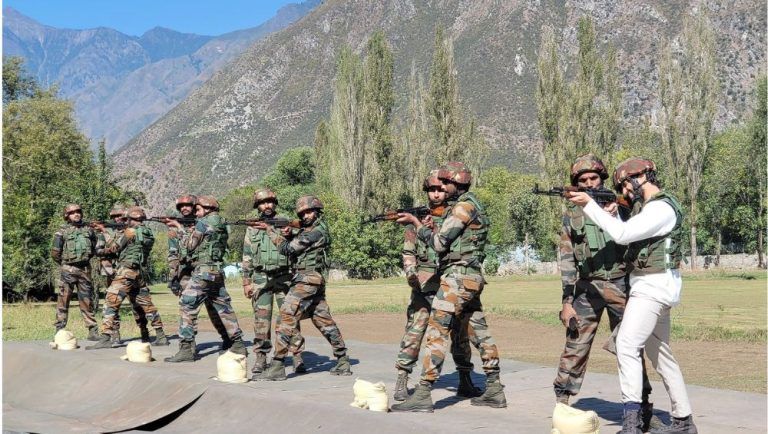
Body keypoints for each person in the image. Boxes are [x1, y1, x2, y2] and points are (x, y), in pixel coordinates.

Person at [566, 157, 697, 434]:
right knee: (659, 354)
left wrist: (589, 205)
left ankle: (631, 424)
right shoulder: (652, 207)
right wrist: (612, 213)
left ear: (639, 178)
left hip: (651, 289)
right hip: (654, 287)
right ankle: (683, 421)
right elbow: (631, 230)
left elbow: (623, 235)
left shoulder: (659, 208)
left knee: (626, 345)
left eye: (625, 184)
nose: (624, 191)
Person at [555, 154, 660, 431]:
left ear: (602, 179)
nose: (589, 184)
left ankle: (642, 411)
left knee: (632, 348)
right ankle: (562, 406)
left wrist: (620, 213)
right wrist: (567, 301)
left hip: (621, 284)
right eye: (582, 180)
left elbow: (645, 230)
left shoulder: (626, 206)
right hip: (587, 287)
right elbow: (567, 260)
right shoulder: (573, 214)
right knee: (575, 345)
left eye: (593, 178)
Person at [392, 162, 505, 412]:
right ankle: (494, 387)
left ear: (457, 183)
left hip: (457, 278)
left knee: (437, 330)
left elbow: (441, 243)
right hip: (469, 278)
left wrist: (416, 223)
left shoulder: (463, 206)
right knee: (479, 330)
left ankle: (423, 392)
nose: (441, 188)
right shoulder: (470, 204)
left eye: (446, 183)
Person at [255, 195, 351, 381]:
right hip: (312, 280)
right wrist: (289, 233)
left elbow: (288, 250)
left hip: (306, 281)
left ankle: (277, 365)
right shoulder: (312, 230)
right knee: (324, 321)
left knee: (285, 318)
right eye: (302, 213)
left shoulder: (314, 232)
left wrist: (270, 230)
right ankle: (343, 360)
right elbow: (300, 244)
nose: (305, 215)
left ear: (317, 211)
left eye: (309, 212)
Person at [164, 196, 247, 362]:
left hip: (203, 271)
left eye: (198, 209)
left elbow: (189, 245)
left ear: (206, 209)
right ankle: (238, 345)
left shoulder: (203, 223)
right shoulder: (221, 222)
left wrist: (179, 227)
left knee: (187, 304)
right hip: (216, 271)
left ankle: (186, 349)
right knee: (223, 307)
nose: (196, 212)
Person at [242, 188, 305, 377]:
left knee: (290, 317)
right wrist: (246, 281)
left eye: (270, 202)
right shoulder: (252, 227)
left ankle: (297, 355)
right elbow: (247, 255)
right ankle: (261, 356)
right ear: (257, 206)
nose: (267, 205)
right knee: (261, 320)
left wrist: (290, 233)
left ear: (274, 203)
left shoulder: (285, 222)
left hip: (284, 277)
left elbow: (300, 243)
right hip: (261, 278)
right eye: (262, 202)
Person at [86, 206, 170, 349]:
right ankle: (161, 335)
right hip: (138, 273)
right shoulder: (148, 233)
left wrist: (104, 231)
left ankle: (106, 337)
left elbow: (114, 248)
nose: (125, 221)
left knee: (110, 302)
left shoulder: (130, 232)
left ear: (132, 219)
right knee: (147, 305)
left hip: (125, 272)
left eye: (127, 219)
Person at [51, 203, 99, 341]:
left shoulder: (89, 230)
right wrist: (66, 264)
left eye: (78, 211)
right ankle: (59, 330)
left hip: (85, 270)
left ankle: (92, 331)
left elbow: (95, 248)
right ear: (67, 216)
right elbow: (55, 253)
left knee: (87, 301)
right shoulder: (61, 231)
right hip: (68, 270)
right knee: (63, 300)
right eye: (72, 212)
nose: (76, 214)